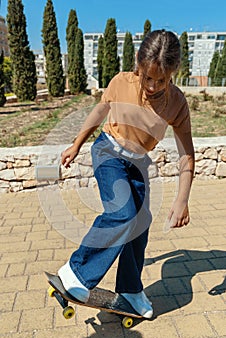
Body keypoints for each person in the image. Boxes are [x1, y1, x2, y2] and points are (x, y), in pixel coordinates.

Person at [58, 29, 195, 319]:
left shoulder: (177, 103)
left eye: (162, 80)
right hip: (108, 150)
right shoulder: (121, 82)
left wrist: (182, 200)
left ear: (172, 74)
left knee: (140, 222)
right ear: (138, 64)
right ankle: (77, 272)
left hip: (138, 162)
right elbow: (99, 111)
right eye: (148, 77)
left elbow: (187, 155)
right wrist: (77, 143)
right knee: (122, 212)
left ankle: (131, 290)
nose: (154, 86)